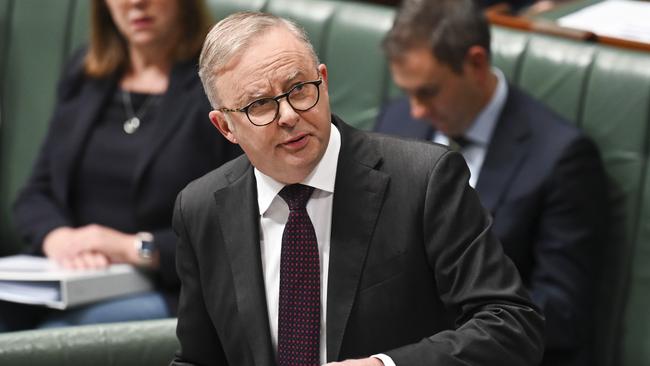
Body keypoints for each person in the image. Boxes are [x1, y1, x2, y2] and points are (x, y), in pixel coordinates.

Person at [171, 11, 544, 366]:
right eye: (260, 105)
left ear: (324, 79)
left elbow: (511, 325)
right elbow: (199, 359)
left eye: (299, 89)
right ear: (225, 128)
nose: (288, 116)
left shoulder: (424, 180)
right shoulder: (202, 208)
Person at [374, 1, 608, 365]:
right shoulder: (396, 121)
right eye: (408, 93)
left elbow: (561, 311)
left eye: (429, 91)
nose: (416, 109)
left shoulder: (561, 157)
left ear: (477, 64)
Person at [5, 0, 240, 331]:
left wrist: (130, 247)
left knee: (59, 336)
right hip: (72, 276)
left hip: (171, 287)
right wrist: (59, 239)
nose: (135, 3)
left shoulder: (219, 84)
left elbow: (237, 226)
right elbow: (36, 193)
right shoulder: (85, 74)